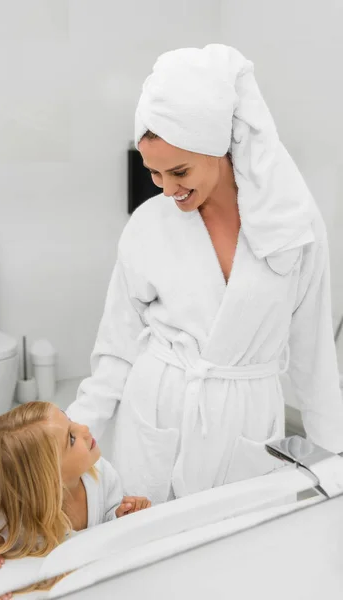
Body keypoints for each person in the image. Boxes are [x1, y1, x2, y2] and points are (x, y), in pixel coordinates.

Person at [67, 43, 343, 505]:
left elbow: (315, 357)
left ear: (216, 145)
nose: (167, 189)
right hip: (156, 413)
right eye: (153, 173)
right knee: (148, 550)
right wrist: (67, 438)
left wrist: (335, 461)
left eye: (179, 171)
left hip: (247, 424)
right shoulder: (148, 225)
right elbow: (115, 350)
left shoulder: (294, 228)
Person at [0, 402, 150, 599]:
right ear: (48, 479)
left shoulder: (101, 474)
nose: (84, 428)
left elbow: (107, 519)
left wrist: (121, 515)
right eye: (72, 439)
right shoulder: (8, 516)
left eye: (70, 420)